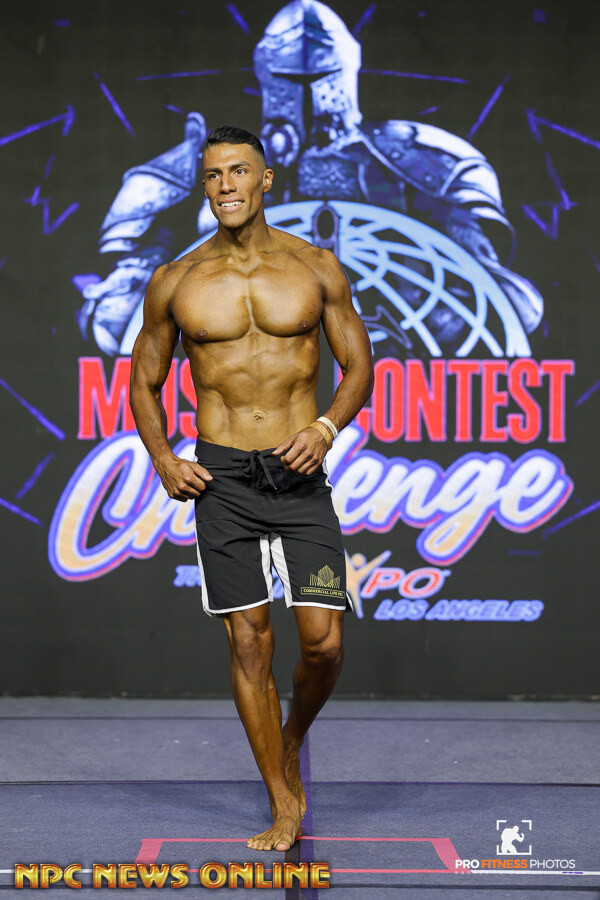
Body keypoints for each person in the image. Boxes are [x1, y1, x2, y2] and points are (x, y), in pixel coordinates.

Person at [130, 125, 374, 852]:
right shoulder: (176, 280)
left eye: (239, 171)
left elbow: (359, 366)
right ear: (203, 186)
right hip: (224, 478)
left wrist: (326, 427)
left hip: (298, 471)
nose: (226, 186)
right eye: (213, 175)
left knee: (323, 644)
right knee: (248, 644)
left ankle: (290, 738)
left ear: (266, 179)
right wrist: (162, 457)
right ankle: (281, 799)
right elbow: (143, 380)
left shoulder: (315, 267)